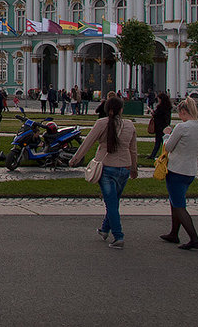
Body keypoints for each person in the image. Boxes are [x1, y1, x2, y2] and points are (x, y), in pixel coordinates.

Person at [69, 95, 138, 249]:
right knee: (114, 202)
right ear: (121, 110)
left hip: (107, 168)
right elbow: (133, 150)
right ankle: (105, 230)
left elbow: (88, 142)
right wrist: (134, 168)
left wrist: (75, 160)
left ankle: (119, 237)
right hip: (125, 168)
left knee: (111, 204)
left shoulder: (102, 123)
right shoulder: (129, 125)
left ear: (107, 109)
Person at [160, 98, 198, 250]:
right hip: (190, 170)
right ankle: (174, 233)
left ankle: (194, 239)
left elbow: (168, 147)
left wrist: (167, 134)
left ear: (183, 112)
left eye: (179, 113)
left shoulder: (182, 127)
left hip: (176, 169)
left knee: (179, 205)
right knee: (175, 201)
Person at [149, 92, 173, 159]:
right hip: (164, 126)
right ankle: (162, 154)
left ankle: (154, 155)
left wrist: (152, 112)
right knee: (162, 142)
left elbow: (157, 115)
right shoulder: (168, 107)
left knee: (158, 142)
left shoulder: (160, 107)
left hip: (159, 126)